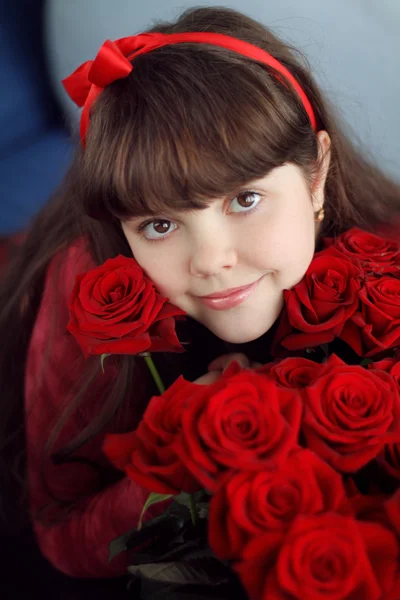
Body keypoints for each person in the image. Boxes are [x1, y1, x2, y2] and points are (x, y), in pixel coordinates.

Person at [1, 4, 399, 586]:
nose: (211, 260)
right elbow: (62, 532)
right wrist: (187, 450)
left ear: (316, 176)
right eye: (159, 225)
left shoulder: (387, 262)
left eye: (244, 199)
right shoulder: (86, 288)